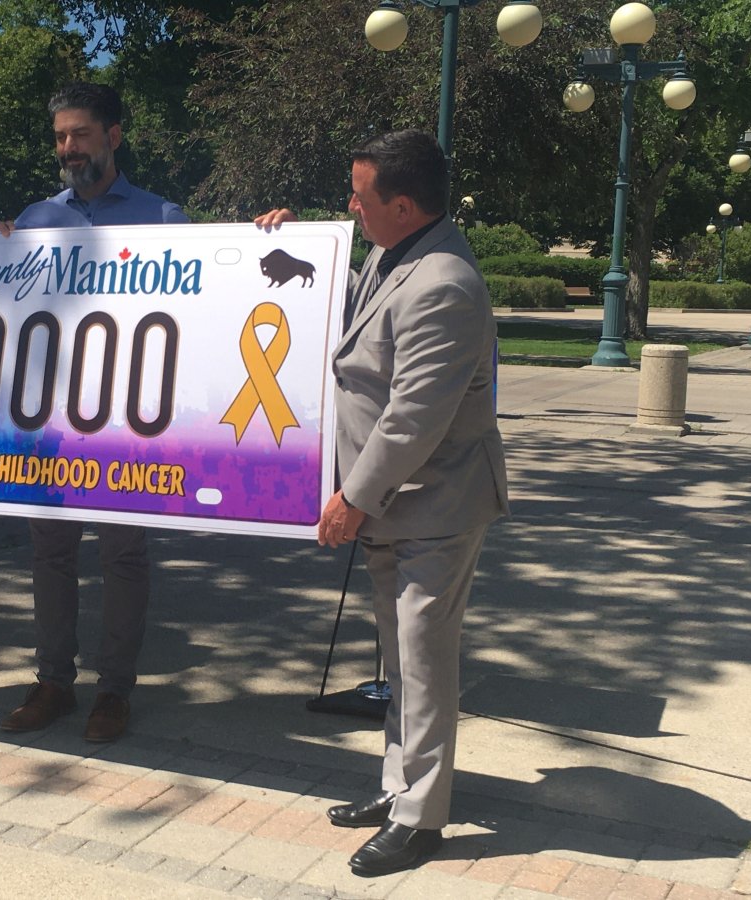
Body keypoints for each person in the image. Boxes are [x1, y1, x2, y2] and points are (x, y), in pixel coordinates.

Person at [255, 129, 508, 877]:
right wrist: (287, 238)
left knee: (425, 663)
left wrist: (352, 499)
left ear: (401, 204)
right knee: (399, 660)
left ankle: (421, 819)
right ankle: (400, 790)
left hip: (435, 501)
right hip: (396, 504)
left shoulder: (445, 284)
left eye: (359, 196)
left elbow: (413, 419)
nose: (351, 206)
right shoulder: (391, 252)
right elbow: (338, 324)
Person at [0, 82, 189, 743]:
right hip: (48, 417)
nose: (68, 148)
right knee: (49, 553)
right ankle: (53, 681)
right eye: (59, 137)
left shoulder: (163, 219)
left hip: (125, 421)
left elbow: (205, 306)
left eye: (79, 134)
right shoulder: (36, 220)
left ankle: (113, 691)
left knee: (122, 556)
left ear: (114, 135)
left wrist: (265, 238)